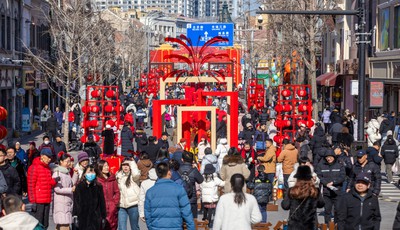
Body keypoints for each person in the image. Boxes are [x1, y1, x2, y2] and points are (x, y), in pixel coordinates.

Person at [144, 162, 194, 229]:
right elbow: (186, 211)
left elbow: (147, 214)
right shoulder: (179, 189)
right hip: (175, 227)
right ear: (169, 173)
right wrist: (191, 227)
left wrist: (151, 227)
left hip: (156, 227)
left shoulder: (150, 192)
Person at [27, 148, 57, 228]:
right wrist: (32, 201)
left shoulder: (47, 168)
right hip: (38, 201)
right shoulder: (34, 167)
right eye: (48, 157)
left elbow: (49, 182)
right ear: (42, 156)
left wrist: (55, 180)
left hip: (47, 199)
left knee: (45, 224)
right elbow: (30, 185)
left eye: (50, 157)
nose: (49, 159)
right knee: (38, 223)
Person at [315, 149, 346, 224]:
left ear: (334, 157)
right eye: (327, 157)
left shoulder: (339, 165)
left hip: (337, 192)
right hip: (327, 193)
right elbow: (319, 176)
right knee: (327, 211)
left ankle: (336, 225)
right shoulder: (321, 166)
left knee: (338, 210)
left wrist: (334, 182)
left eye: (330, 157)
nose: (329, 159)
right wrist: (326, 183)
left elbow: (342, 177)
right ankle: (328, 226)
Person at [73, 165, 106, 230]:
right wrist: (75, 216)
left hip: (95, 218)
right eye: (88, 172)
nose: (90, 174)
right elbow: (76, 202)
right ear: (84, 174)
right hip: (83, 218)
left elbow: (102, 203)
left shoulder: (98, 186)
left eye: (93, 172)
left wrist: (103, 217)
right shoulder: (79, 187)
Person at [52, 152, 78, 230]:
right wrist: (70, 190)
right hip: (61, 204)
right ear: (61, 162)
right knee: (64, 226)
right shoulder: (57, 173)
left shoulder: (66, 172)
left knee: (62, 226)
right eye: (67, 161)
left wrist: (75, 175)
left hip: (67, 203)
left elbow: (70, 184)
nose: (68, 163)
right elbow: (57, 189)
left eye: (69, 161)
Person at [116, 158, 141, 230]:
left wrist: (132, 162)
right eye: (124, 165)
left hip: (133, 205)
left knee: (134, 227)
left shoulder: (134, 176)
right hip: (121, 205)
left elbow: (136, 173)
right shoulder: (118, 175)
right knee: (121, 228)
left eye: (127, 165)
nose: (125, 167)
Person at [178, 151, 204, 218]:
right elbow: (201, 180)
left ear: (182, 159)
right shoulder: (194, 170)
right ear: (192, 160)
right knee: (192, 220)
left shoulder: (178, 169)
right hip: (192, 198)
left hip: (180, 198)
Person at [96, 160, 120, 230]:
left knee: (113, 226)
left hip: (112, 208)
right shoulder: (97, 180)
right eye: (104, 166)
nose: (107, 167)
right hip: (101, 209)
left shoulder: (112, 179)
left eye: (107, 165)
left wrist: (114, 204)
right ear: (100, 167)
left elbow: (117, 192)